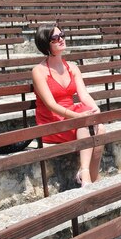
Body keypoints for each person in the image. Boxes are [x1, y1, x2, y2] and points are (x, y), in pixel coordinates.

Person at [32, 23, 105, 186]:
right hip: (52, 122)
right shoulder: (39, 71)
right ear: (45, 43)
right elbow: (50, 105)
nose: (61, 39)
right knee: (85, 125)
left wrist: (95, 110)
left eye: (62, 35)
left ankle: (93, 177)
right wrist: (78, 116)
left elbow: (84, 95)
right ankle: (85, 176)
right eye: (55, 38)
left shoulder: (72, 67)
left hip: (71, 116)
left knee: (100, 127)